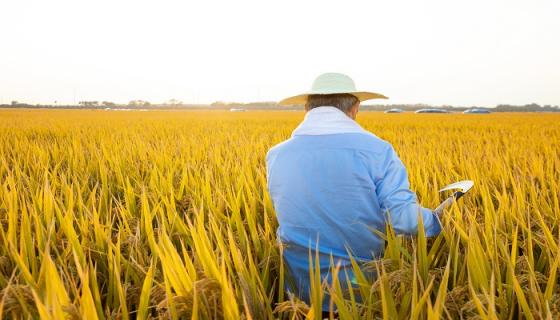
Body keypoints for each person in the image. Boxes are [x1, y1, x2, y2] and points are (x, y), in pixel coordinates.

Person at [265, 73, 443, 313]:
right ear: (355, 108)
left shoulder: (277, 154)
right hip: (361, 295)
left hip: (297, 298)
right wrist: (438, 219)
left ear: (307, 108)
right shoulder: (378, 151)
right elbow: (405, 220)